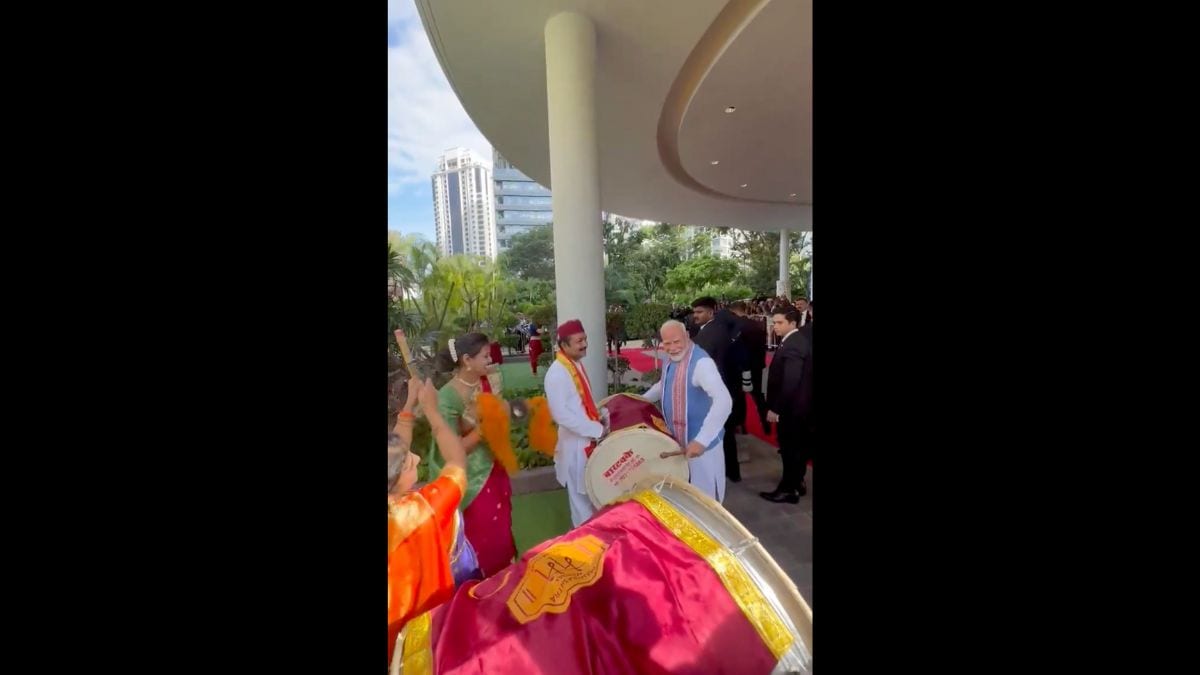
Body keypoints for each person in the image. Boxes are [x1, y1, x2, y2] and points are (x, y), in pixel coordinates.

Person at [387, 377, 477, 665]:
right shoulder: (419, 510)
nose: (415, 457)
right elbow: (457, 465)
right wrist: (434, 413)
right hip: (418, 638)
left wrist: (409, 405)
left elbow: (395, 453)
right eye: (410, 463)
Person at [425, 333, 518, 576]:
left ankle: (503, 583)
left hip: (495, 466)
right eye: (485, 356)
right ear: (467, 360)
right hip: (473, 480)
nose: (491, 360)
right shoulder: (448, 396)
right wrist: (483, 430)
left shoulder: (489, 381)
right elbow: (452, 451)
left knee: (502, 531)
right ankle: (478, 594)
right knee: (483, 537)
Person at [643, 320, 732, 502]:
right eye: (667, 343)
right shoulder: (670, 358)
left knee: (706, 499)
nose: (673, 347)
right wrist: (641, 400)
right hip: (680, 441)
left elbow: (724, 401)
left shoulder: (702, 363)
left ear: (687, 337)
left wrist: (702, 440)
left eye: (677, 342)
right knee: (687, 495)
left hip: (703, 445)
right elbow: (665, 383)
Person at [544, 319, 607, 526]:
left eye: (585, 339)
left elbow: (580, 404)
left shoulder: (575, 364)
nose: (585, 344)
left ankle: (597, 543)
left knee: (593, 496)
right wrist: (596, 429)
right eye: (579, 341)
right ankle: (585, 547)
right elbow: (560, 414)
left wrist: (599, 416)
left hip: (587, 441)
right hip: (575, 446)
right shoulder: (556, 373)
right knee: (581, 504)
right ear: (564, 345)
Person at [761, 307, 813, 504]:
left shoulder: (794, 344)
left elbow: (791, 380)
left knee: (791, 450)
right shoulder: (794, 340)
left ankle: (788, 490)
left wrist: (776, 409)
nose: (775, 327)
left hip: (792, 410)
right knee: (795, 449)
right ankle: (796, 483)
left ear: (793, 323)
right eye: (774, 322)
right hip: (798, 407)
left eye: (780, 322)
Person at [690, 296, 744, 482]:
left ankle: (723, 472)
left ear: (711, 313)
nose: (695, 316)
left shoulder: (710, 334)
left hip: (716, 391)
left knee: (719, 433)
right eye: (694, 312)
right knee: (726, 433)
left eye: (699, 312)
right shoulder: (714, 330)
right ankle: (733, 471)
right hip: (726, 386)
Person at [730, 301, 771, 433]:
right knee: (760, 397)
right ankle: (766, 426)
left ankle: (741, 425)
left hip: (741, 368)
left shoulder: (735, 327)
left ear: (734, 311)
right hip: (758, 365)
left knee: (738, 398)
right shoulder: (757, 325)